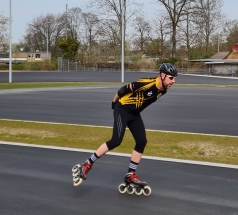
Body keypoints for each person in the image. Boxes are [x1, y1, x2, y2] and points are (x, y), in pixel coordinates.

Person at [72, 63, 178, 192]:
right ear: (162, 75)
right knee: (116, 140)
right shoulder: (147, 83)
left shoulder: (164, 90)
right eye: (171, 78)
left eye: (174, 78)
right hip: (122, 109)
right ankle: (87, 164)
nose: (173, 81)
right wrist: (113, 103)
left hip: (134, 114)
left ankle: (130, 175)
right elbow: (123, 90)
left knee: (141, 141)